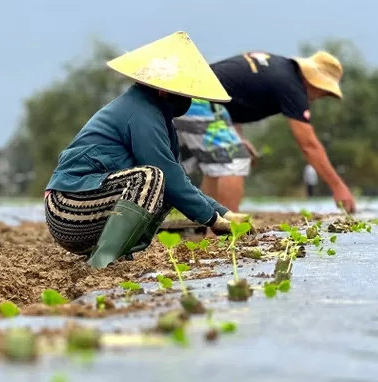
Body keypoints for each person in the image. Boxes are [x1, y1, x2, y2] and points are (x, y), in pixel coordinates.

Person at [44, 31, 251, 269]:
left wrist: (223, 212)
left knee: (167, 187)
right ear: (163, 89)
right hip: (68, 209)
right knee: (149, 177)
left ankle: (118, 253)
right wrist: (212, 220)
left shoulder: (157, 116)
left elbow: (178, 181)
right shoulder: (141, 114)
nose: (187, 99)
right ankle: (102, 262)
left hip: (88, 207)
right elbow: (166, 175)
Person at [174, 49, 356, 214]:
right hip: (199, 99)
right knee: (235, 161)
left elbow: (231, 95)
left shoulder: (279, 69)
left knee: (215, 165)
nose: (319, 98)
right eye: (323, 92)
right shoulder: (291, 85)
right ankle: (223, 233)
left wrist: (239, 137)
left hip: (185, 95)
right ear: (314, 81)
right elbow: (309, 145)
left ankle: (208, 226)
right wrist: (338, 187)